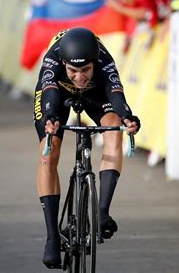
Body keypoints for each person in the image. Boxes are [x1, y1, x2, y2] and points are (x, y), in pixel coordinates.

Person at [33, 27, 141, 269]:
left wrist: (127, 117)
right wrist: (51, 116)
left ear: (95, 62)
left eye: (85, 70)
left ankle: (102, 211)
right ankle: (52, 236)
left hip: (95, 93)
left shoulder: (104, 61)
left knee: (114, 128)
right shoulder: (53, 59)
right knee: (48, 155)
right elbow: (49, 92)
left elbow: (115, 95)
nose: (80, 77)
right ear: (64, 63)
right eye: (73, 70)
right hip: (57, 94)